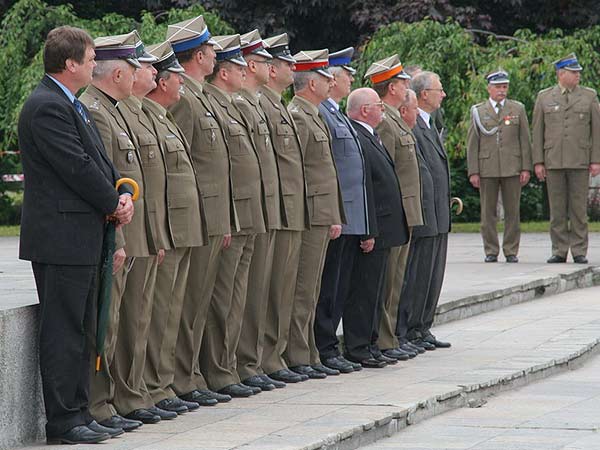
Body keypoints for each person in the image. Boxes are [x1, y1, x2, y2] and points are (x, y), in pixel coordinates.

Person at [18, 25, 133, 444]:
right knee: (64, 331)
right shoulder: (46, 106)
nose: (94, 66)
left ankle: (80, 410)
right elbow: (75, 166)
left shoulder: (71, 104)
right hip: (61, 238)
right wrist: (111, 203)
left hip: (79, 235)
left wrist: (119, 193)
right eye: (89, 60)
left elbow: (97, 161)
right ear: (70, 65)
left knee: (83, 329)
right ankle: (63, 421)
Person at [79, 31, 149, 435]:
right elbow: (106, 182)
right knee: (107, 320)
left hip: (126, 231)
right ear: (119, 72)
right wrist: (118, 241)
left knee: (122, 319)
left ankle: (113, 399)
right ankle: (99, 404)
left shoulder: (117, 109)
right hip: (113, 235)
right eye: (134, 68)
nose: (139, 75)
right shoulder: (97, 112)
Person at [166, 15, 234, 407]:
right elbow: (182, 165)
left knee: (200, 300)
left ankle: (191, 373)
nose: (214, 56)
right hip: (199, 216)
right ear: (196, 56)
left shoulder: (202, 95)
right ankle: (181, 376)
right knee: (189, 302)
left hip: (213, 214)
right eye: (209, 50)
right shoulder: (185, 99)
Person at [142, 40, 206, 416]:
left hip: (178, 227)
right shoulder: (149, 115)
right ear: (164, 82)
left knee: (171, 310)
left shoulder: (160, 117)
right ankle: (152, 387)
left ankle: (163, 384)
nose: (182, 83)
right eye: (175, 77)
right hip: (161, 230)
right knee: (155, 313)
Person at [200, 34, 266, 398]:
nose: (246, 71)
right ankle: (217, 370)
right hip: (224, 216)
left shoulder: (227, 105)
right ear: (223, 72)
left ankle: (230, 367)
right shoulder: (207, 103)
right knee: (219, 299)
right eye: (239, 66)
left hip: (243, 214)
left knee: (237, 297)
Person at [111, 39, 173, 424]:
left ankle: (142, 389)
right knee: (124, 317)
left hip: (148, 230)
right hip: (128, 230)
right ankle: (118, 397)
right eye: (142, 67)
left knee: (146, 315)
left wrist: (158, 234)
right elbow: (116, 181)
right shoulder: (108, 112)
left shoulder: (140, 113)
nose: (149, 73)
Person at [285, 49, 345, 380]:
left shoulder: (313, 113)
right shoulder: (298, 115)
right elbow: (300, 173)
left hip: (321, 212)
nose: (331, 81)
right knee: (303, 288)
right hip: (309, 214)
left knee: (311, 288)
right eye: (325, 77)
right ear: (311, 82)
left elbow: (324, 171)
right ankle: (297, 353)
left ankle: (306, 349)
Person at [233, 29, 284, 391]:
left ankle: (256, 361)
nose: (272, 67)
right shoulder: (242, 101)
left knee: (260, 291)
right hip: (241, 212)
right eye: (265, 61)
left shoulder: (256, 101)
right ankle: (241, 364)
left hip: (263, 209)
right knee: (239, 295)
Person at [313, 47, 369, 374]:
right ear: (331, 78)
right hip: (335, 214)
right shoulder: (321, 112)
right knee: (328, 286)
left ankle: (330, 345)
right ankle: (325, 346)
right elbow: (328, 169)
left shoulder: (335, 113)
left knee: (339, 284)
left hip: (346, 213)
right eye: (346, 73)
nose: (350, 78)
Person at [258, 33, 310, 384]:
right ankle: (260, 360)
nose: (293, 68)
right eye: (285, 63)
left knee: (281, 289)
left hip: (286, 209)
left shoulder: (276, 103)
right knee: (264, 291)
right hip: (267, 211)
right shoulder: (262, 103)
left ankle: (274, 358)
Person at [344, 87, 409, 367]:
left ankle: (370, 342)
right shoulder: (358, 135)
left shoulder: (371, 135)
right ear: (364, 110)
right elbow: (364, 185)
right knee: (365, 289)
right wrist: (368, 229)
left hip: (384, 224)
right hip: (374, 225)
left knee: (376, 288)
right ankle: (358, 345)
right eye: (377, 105)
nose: (382, 109)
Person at [365, 54, 423, 360]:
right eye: (401, 82)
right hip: (395, 210)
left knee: (396, 280)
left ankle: (391, 337)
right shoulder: (385, 121)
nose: (405, 86)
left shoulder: (394, 118)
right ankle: (385, 339)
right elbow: (384, 171)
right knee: (387, 281)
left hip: (406, 210)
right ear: (390, 87)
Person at [532, 53, 600, 264]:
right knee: (557, 209)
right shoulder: (545, 97)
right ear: (561, 74)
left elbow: (597, 131)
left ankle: (579, 250)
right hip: (553, 160)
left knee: (579, 209)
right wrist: (538, 161)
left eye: (578, 72)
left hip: (579, 159)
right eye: (573, 72)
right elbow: (537, 131)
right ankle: (559, 250)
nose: (578, 75)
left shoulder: (589, 96)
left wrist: (596, 159)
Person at [402, 71, 452, 351]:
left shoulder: (430, 123)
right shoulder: (413, 124)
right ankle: (411, 327)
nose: (442, 95)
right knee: (418, 275)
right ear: (424, 94)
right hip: (425, 212)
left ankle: (423, 326)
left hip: (438, 214)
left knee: (433, 276)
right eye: (439, 90)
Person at [467, 70, 532, 263]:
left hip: (512, 166)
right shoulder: (479, 111)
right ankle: (491, 250)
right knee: (488, 212)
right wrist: (474, 171)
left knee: (513, 211)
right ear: (489, 88)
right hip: (487, 168)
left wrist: (525, 167)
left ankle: (511, 250)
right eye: (498, 87)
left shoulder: (517, 109)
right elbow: (472, 143)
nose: (502, 91)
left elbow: (524, 140)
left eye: (504, 87)